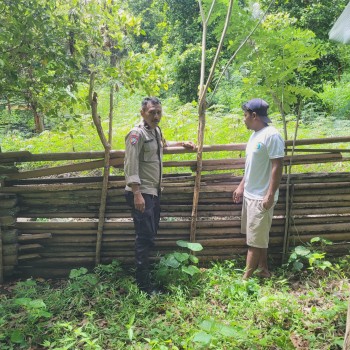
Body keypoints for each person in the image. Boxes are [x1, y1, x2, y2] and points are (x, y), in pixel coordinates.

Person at [124, 97, 196, 294]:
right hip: (142, 193)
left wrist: (182, 143)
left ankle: (146, 278)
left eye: (158, 112)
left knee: (149, 235)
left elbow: (162, 144)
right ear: (142, 113)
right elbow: (130, 166)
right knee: (144, 238)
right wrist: (137, 193)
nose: (156, 116)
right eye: (152, 112)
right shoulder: (136, 135)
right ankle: (144, 286)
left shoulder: (155, 131)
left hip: (153, 193)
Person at [232, 98, 284, 279]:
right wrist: (241, 186)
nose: (243, 119)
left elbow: (277, 166)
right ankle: (264, 270)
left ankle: (244, 281)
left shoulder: (272, 135)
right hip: (250, 194)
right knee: (258, 236)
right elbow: (251, 166)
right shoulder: (255, 135)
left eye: (245, 115)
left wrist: (270, 194)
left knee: (254, 242)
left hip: (262, 197)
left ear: (254, 116)